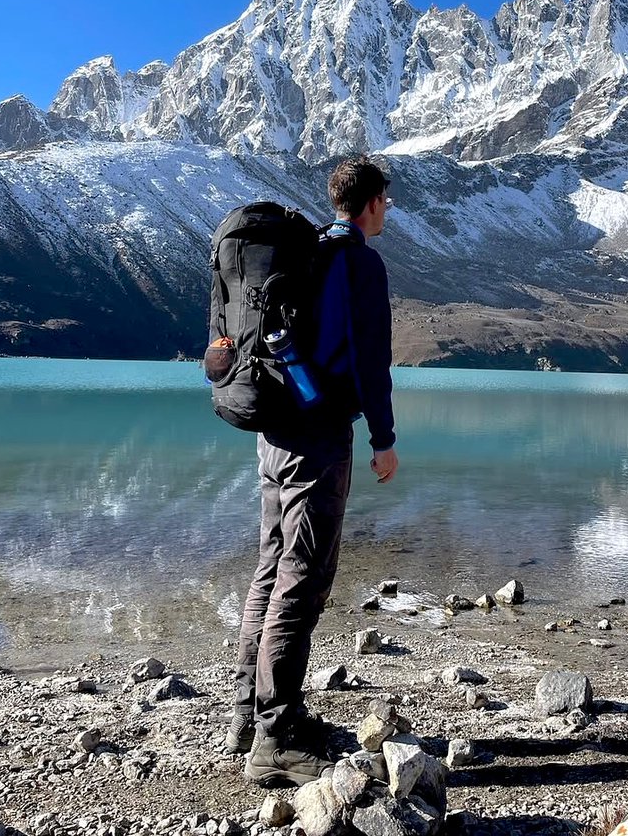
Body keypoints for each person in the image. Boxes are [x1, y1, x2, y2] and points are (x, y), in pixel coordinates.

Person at [226, 155, 399, 787]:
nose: (388, 211)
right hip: (319, 440)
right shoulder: (358, 263)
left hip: (274, 431)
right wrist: (384, 440)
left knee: (271, 569)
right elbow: (373, 364)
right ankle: (278, 738)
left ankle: (248, 716)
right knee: (304, 578)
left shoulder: (306, 253)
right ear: (372, 202)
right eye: (386, 201)